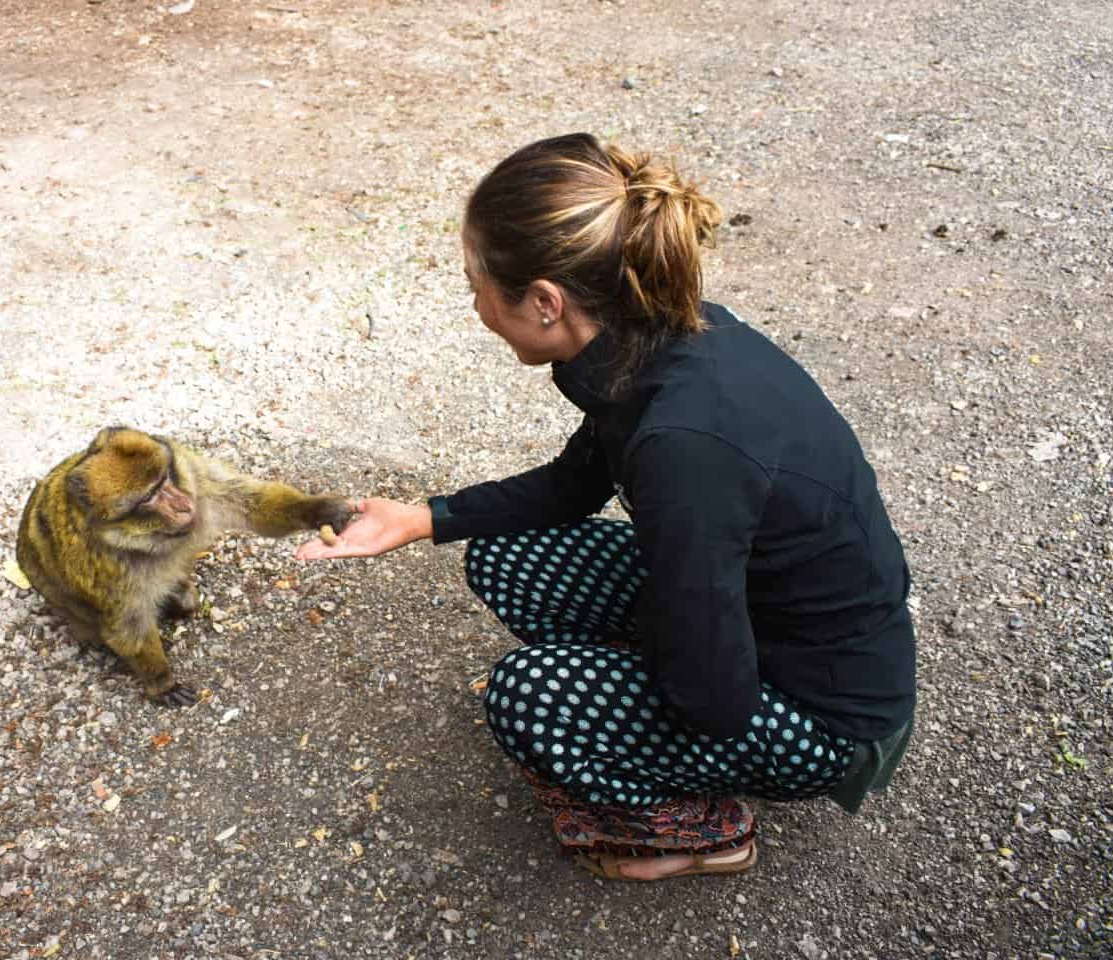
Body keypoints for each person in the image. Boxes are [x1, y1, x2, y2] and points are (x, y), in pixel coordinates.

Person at [295, 133, 917, 882]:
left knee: (531, 697)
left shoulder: (684, 443)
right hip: (749, 620)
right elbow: (571, 488)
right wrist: (421, 517)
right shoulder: (650, 339)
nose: (475, 304)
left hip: (824, 715)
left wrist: (616, 677)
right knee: (504, 554)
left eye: (478, 285)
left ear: (546, 303)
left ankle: (704, 831)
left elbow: (715, 697)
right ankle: (632, 711)